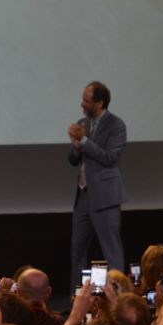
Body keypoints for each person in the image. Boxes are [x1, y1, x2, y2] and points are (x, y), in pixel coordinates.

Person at [68, 81, 127, 279]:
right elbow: (72, 160)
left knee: (111, 251)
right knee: (77, 251)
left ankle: (118, 301)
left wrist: (84, 141)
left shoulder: (116, 125)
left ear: (99, 103)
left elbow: (110, 158)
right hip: (83, 196)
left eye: (86, 100)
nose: (82, 104)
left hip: (106, 197)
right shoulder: (82, 123)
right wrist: (76, 148)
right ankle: (77, 299)